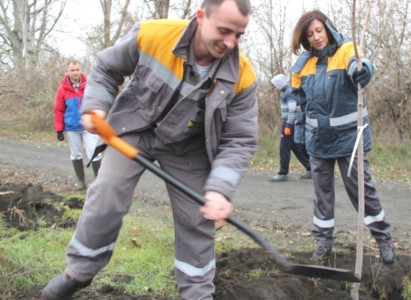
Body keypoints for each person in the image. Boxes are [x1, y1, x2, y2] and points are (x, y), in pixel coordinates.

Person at [42, 1, 257, 299]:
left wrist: (219, 189)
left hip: (188, 146)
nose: (230, 43)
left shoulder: (243, 76)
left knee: (198, 218)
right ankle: (78, 272)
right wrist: (96, 106)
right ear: (200, 16)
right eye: (224, 31)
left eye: (239, 35)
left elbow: (240, 139)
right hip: (134, 129)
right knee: (107, 191)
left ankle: (197, 293)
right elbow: (106, 68)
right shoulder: (153, 34)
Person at [289, 10, 395, 264]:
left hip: (350, 139)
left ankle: (383, 239)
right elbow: (300, 102)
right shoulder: (303, 65)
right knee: (322, 195)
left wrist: (363, 72)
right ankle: (323, 241)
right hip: (318, 142)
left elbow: (362, 65)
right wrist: (302, 137)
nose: (316, 37)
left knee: (362, 191)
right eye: (310, 34)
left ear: (328, 29)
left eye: (319, 30)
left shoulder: (347, 49)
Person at [54, 59, 102, 190]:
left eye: (77, 70)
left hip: (89, 127)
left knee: (95, 153)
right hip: (71, 128)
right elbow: (59, 110)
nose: (75, 73)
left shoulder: (90, 86)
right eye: (72, 70)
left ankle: (99, 183)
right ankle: (81, 182)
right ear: (68, 72)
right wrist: (59, 129)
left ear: (81, 70)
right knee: (76, 154)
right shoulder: (62, 90)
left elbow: (97, 104)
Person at [270, 73, 311, 182]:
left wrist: (288, 126)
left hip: (289, 123)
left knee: (284, 148)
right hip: (290, 122)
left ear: (279, 84)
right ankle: (310, 167)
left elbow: (292, 110)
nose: (273, 88)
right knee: (294, 147)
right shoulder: (286, 92)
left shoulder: (289, 93)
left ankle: (283, 173)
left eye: (274, 85)